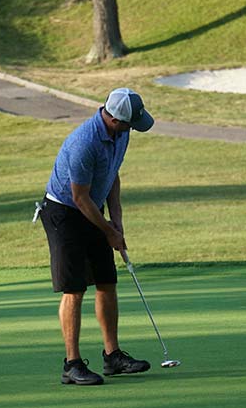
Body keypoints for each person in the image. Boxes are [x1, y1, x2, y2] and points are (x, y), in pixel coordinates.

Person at [39, 87, 154, 385]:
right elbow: (79, 197)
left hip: (94, 208)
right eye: (130, 123)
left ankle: (112, 355)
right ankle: (72, 363)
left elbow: (113, 174)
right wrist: (108, 231)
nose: (132, 129)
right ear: (115, 119)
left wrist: (116, 220)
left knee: (107, 283)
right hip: (64, 213)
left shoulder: (120, 134)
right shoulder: (84, 142)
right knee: (74, 289)